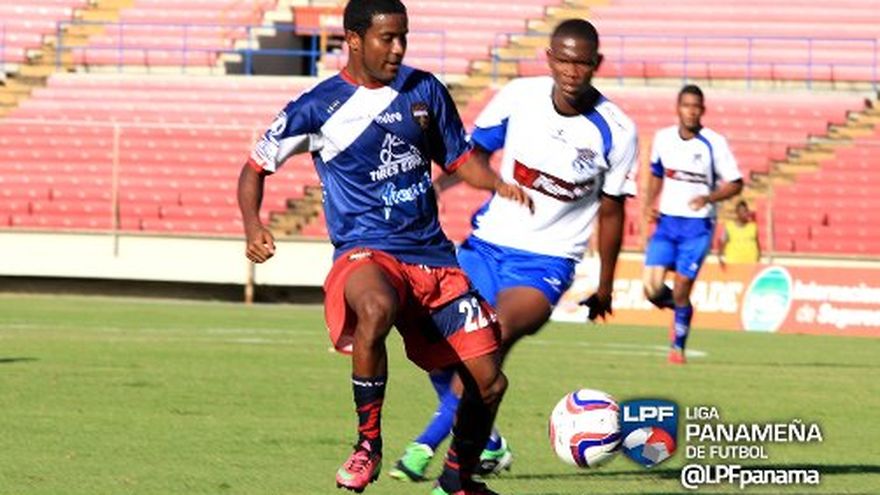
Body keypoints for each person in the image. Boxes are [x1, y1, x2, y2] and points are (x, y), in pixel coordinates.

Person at [237, 1, 531, 493]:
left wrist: (496, 183)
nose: (398, 49)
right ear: (354, 40)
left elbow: (458, 160)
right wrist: (253, 225)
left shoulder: (425, 90)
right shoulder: (317, 107)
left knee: (490, 381)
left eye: (403, 37)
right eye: (387, 38)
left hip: (433, 258)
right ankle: (368, 444)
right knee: (374, 307)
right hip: (365, 251)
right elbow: (253, 169)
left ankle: (457, 480)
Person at [389, 18, 638, 483]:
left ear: (597, 64)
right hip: (486, 246)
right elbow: (472, 155)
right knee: (429, 333)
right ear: (550, 59)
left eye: (582, 63)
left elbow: (612, 212)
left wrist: (605, 286)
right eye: (564, 60)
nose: (572, 71)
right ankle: (489, 442)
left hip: (545, 263)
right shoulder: (519, 97)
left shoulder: (617, 130)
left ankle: (427, 448)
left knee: (488, 338)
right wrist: (440, 188)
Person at [641, 84, 744, 365]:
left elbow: (736, 183)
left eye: (696, 107)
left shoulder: (714, 143)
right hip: (667, 222)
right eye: (686, 106)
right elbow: (656, 173)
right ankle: (682, 309)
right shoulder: (663, 138)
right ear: (678, 108)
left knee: (683, 285)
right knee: (651, 288)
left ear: (703, 110)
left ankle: (677, 347)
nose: (691, 111)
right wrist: (649, 203)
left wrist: (708, 198)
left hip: (698, 226)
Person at [719, 200, 760, 265]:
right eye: (743, 211)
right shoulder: (729, 226)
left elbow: (757, 243)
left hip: (751, 263)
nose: (745, 213)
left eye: (746, 211)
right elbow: (722, 242)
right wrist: (721, 257)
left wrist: (758, 256)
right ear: (737, 212)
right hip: (733, 263)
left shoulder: (753, 227)